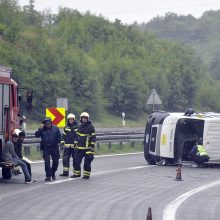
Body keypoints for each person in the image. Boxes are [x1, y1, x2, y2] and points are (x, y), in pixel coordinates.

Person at [72, 112, 96, 179]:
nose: (84, 119)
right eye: (83, 118)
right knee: (76, 161)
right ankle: (77, 174)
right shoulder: (79, 126)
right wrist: (75, 144)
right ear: (81, 119)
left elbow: (94, 137)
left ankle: (86, 175)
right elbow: (76, 136)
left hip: (88, 148)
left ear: (87, 119)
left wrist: (92, 146)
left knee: (87, 162)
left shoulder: (91, 127)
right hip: (79, 148)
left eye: (85, 118)